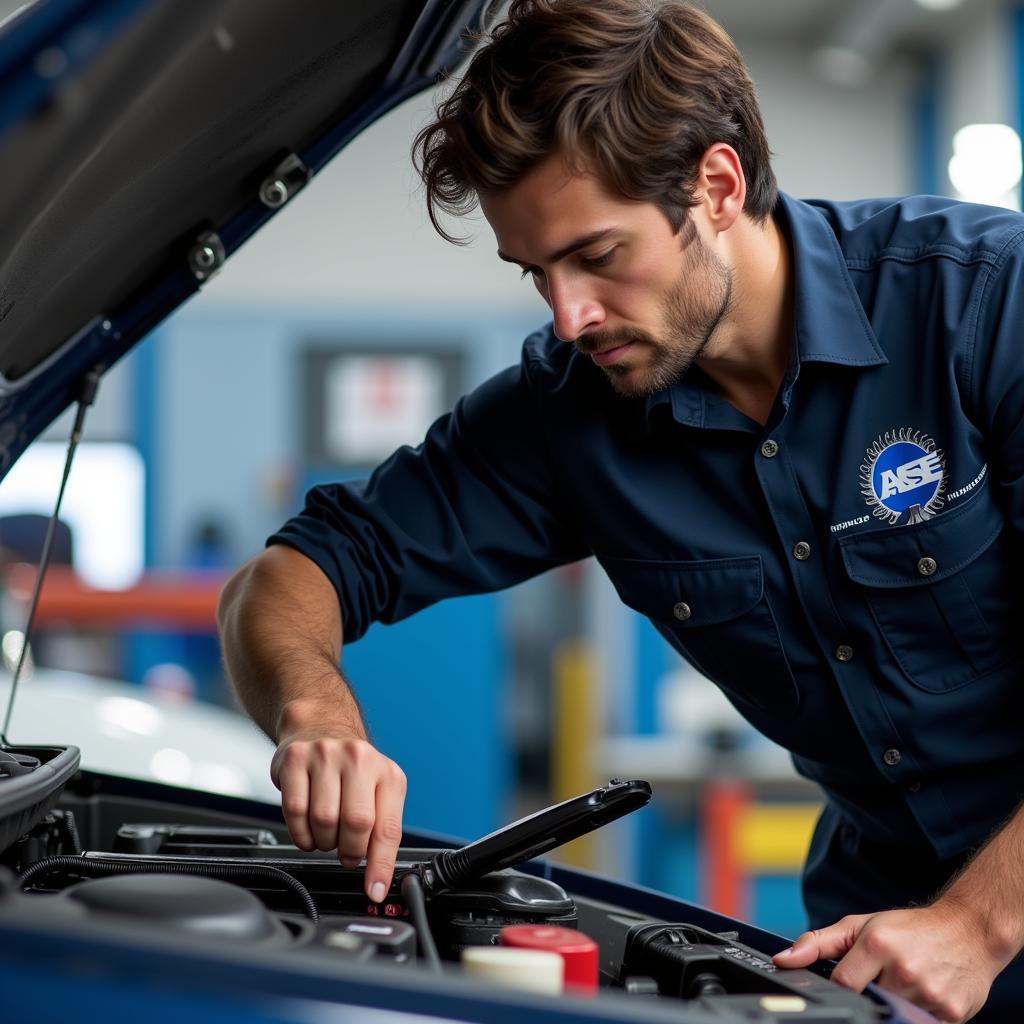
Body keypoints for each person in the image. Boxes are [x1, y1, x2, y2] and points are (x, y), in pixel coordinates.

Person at [217, 2, 1024, 1019]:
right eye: (536, 271)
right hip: (881, 934)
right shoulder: (569, 415)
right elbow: (295, 572)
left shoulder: (985, 302)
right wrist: (315, 713)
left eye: (597, 255)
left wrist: (981, 923)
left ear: (717, 186)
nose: (567, 314)